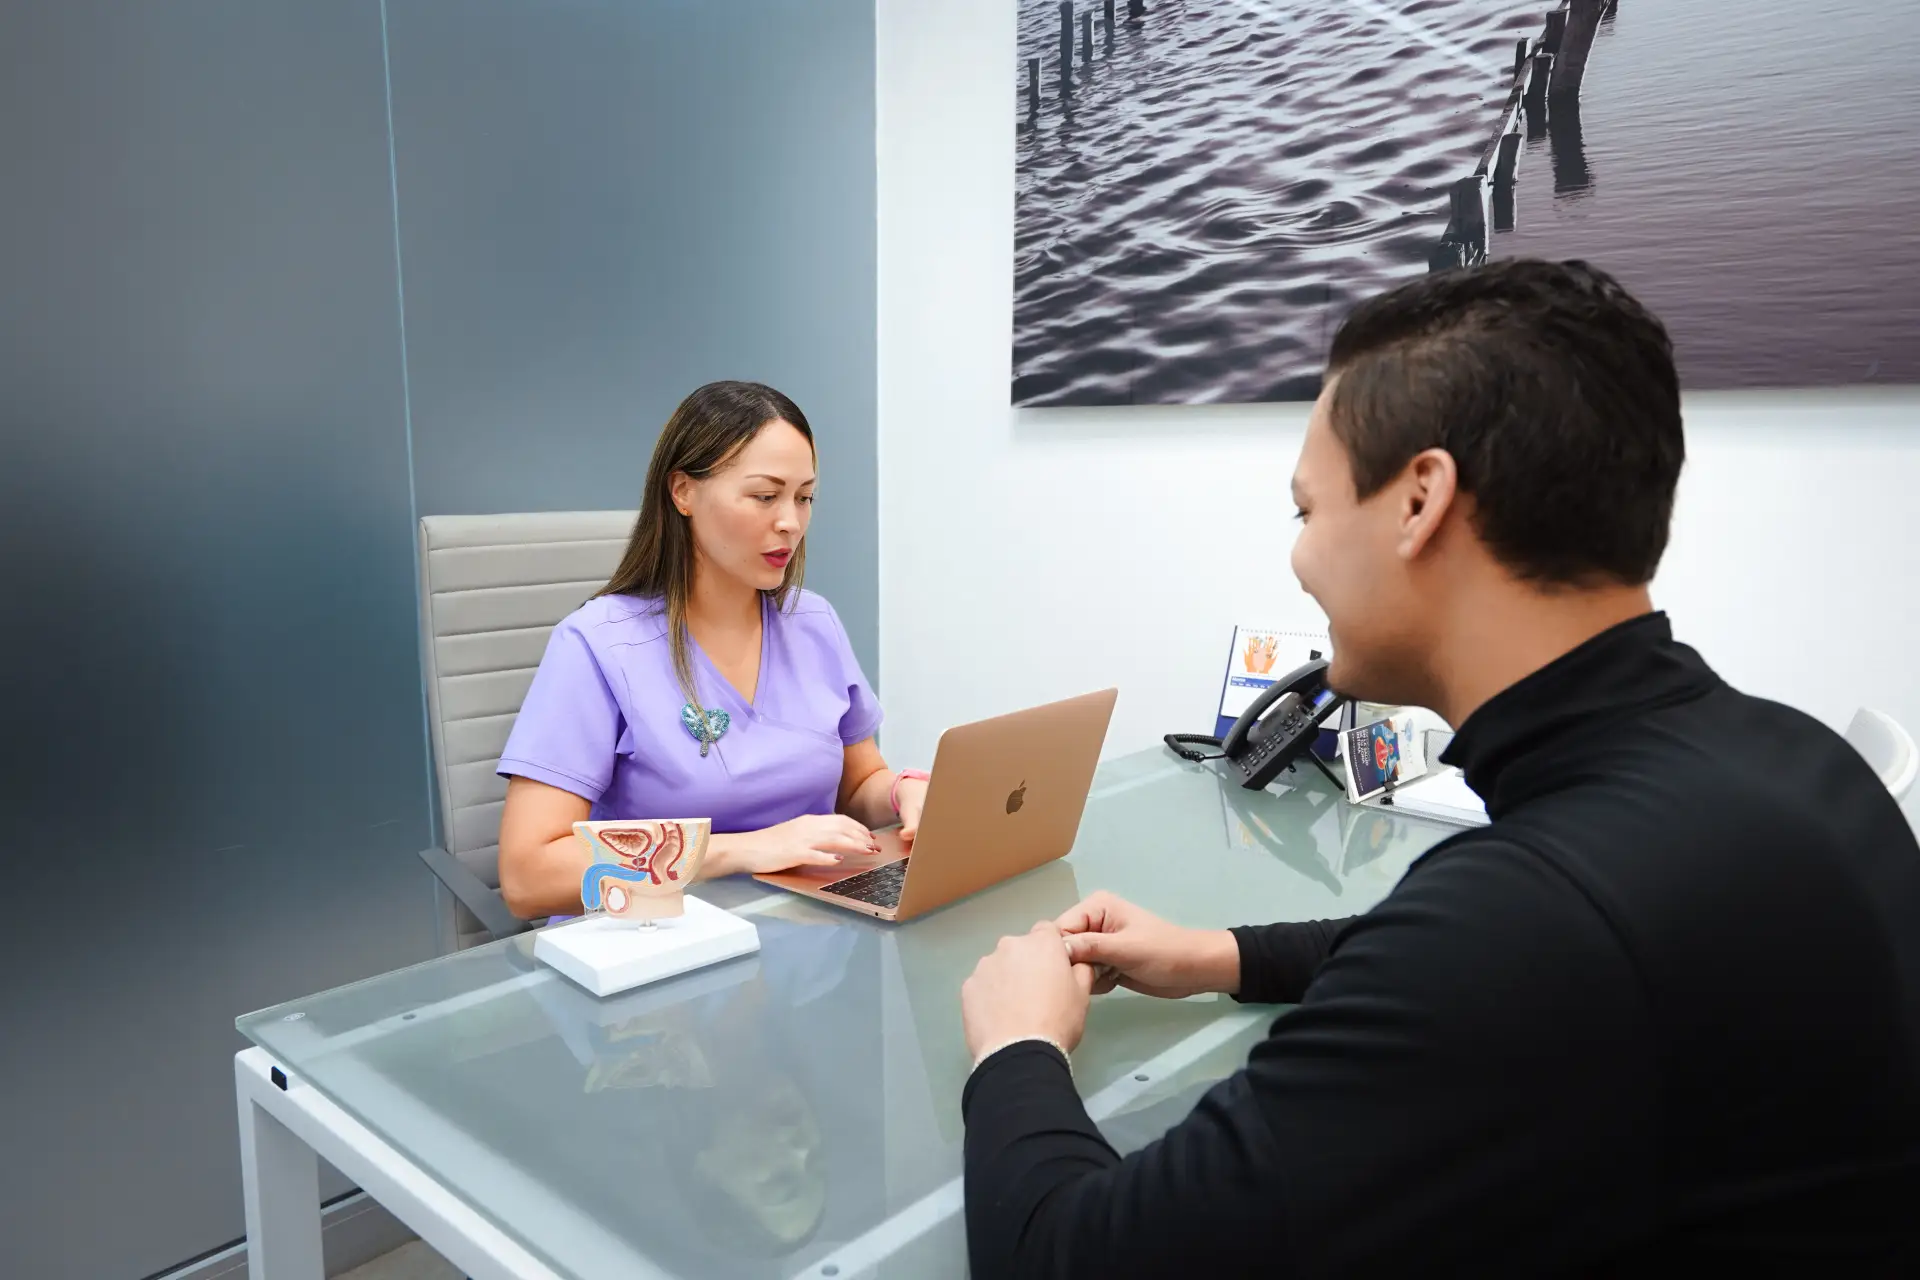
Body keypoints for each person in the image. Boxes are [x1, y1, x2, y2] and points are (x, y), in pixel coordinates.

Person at [958, 260, 1920, 1274]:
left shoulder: (1533, 924)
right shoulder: (1788, 760)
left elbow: (1072, 1258)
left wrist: (1018, 1046)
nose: (1299, 558)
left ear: (1420, 499)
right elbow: (1459, 955)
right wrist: (1219, 954)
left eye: (1306, 513)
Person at [496, 381, 927, 919]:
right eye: (765, 496)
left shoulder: (811, 622)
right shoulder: (599, 644)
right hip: (658, 952)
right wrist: (740, 850)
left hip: (806, 936)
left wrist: (902, 794)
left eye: (804, 496)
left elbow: (857, 782)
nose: (790, 522)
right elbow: (528, 874)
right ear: (683, 492)